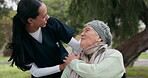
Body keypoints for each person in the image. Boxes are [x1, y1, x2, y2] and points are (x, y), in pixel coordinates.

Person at [8, 0, 82, 78]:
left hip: (67, 74)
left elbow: (77, 46)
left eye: (47, 14)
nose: (48, 17)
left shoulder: (52, 24)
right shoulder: (21, 41)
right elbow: (35, 72)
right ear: (30, 20)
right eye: (43, 16)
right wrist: (61, 67)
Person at [61, 20, 126, 78]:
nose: (82, 34)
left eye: (87, 30)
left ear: (100, 37)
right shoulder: (77, 57)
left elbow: (96, 74)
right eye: (82, 31)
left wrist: (74, 62)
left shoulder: (114, 55)